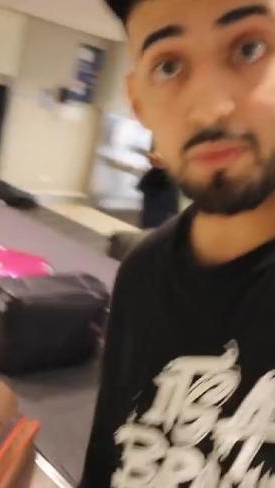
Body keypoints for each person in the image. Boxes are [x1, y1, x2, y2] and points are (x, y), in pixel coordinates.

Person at [82, 0, 275, 486]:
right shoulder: (141, 272)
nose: (209, 108)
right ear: (138, 101)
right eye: (168, 65)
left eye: (249, 48)